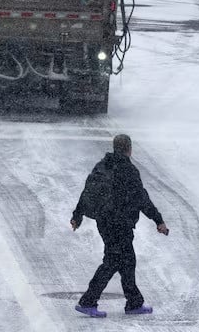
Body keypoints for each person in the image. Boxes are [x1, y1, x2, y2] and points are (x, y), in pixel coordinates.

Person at [70, 134, 170, 318]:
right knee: (113, 261)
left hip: (105, 222)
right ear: (129, 149)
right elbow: (142, 199)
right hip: (120, 223)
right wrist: (159, 220)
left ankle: (134, 302)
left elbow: (88, 191)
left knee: (127, 260)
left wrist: (77, 215)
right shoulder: (129, 170)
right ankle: (88, 301)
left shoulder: (102, 165)